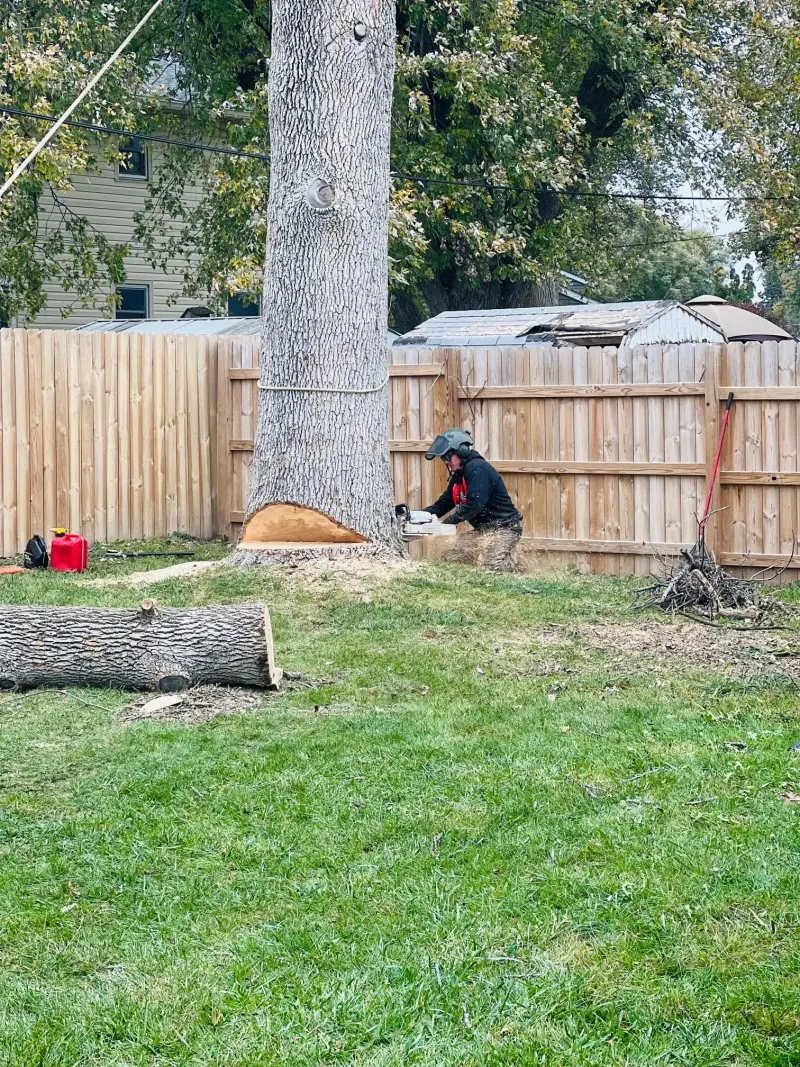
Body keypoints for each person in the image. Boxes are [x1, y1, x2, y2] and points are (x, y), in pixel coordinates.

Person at [423, 428, 523, 571]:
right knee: (451, 557)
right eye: (443, 459)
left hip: (505, 528)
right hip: (484, 530)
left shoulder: (477, 468)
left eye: (447, 457)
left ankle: (511, 566)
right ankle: (508, 559)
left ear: (461, 451)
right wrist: (420, 516)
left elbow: (474, 505)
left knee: (491, 566)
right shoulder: (458, 476)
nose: (446, 462)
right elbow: (443, 504)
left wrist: (447, 523)